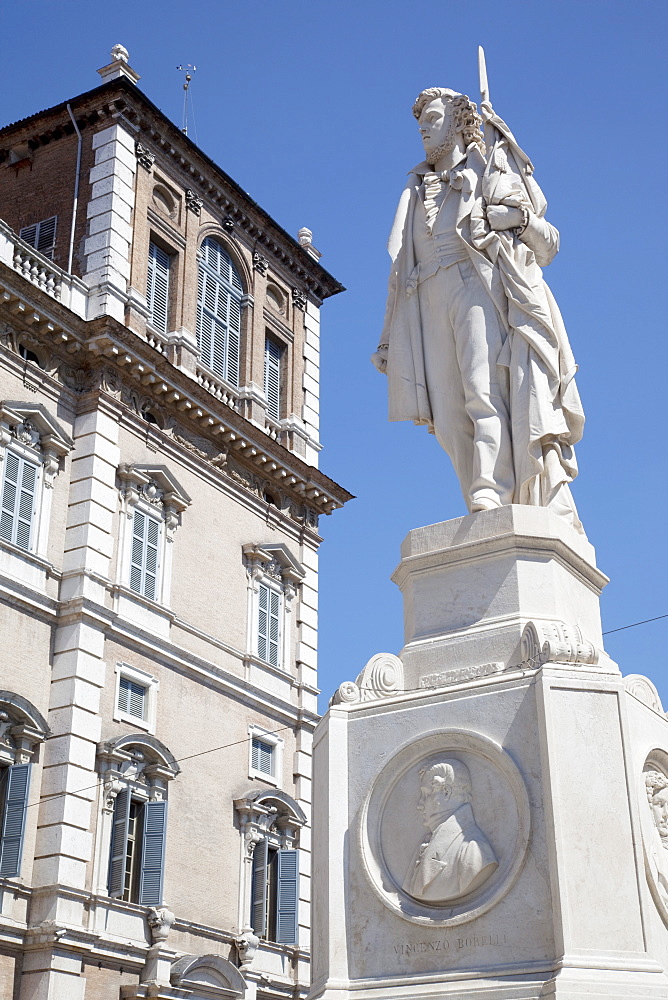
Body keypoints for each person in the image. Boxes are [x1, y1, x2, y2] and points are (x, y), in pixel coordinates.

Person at [373, 88, 584, 528]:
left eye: (432, 118)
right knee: (447, 414)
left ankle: (490, 487)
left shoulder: (488, 167)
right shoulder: (413, 189)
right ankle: (477, 487)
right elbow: (399, 267)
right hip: (425, 294)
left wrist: (518, 220)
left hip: (474, 283)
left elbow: (549, 245)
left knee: (481, 391)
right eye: (420, 123)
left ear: (456, 122)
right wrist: (389, 334)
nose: (423, 130)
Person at [403, 759, 497, 903]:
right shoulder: (431, 842)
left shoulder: (472, 851)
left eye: (426, 794)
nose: (419, 805)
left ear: (446, 792)